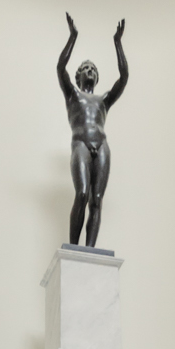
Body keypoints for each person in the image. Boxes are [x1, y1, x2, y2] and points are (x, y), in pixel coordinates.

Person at [56, 13, 128, 249]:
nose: (89, 70)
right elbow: (60, 67)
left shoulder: (103, 100)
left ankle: (90, 251)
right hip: (80, 144)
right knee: (82, 193)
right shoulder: (72, 95)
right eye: (85, 68)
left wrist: (118, 43)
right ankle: (74, 251)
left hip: (102, 145)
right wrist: (72, 37)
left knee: (96, 201)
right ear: (78, 77)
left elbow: (124, 77)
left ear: (96, 77)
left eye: (93, 69)